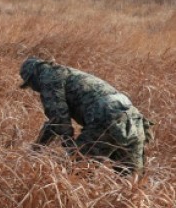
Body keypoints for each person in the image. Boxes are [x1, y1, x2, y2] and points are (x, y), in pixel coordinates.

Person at [19, 57, 151, 175]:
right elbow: (53, 124)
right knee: (131, 183)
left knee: (76, 171)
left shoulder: (47, 77)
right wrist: (36, 149)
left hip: (106, 118)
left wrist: (70, 149)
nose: (33, 89)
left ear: (33, 77)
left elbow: (58, 120)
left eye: (30, 85)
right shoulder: (68, 74)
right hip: (133, 118)